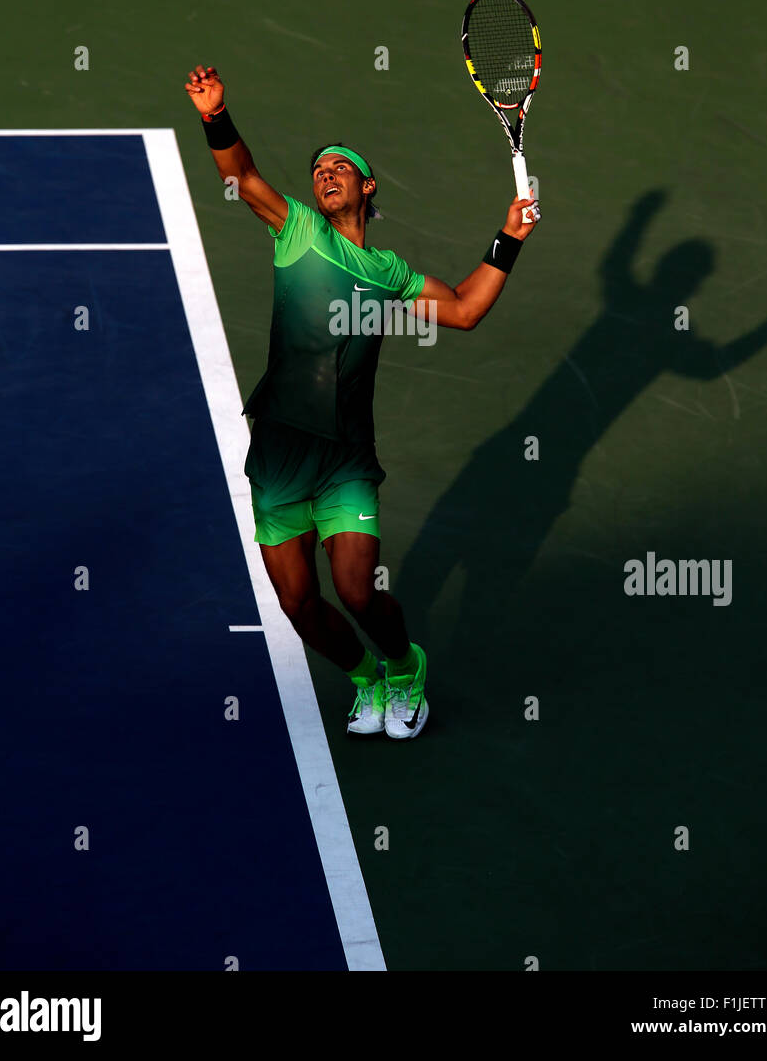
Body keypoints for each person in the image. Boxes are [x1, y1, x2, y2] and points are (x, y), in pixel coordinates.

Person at [184, 63, 540, 740]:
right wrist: (214, 117)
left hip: (345, 457)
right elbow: (244, 174)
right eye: (317, 169)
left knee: (355, 589)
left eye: (339, 166)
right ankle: (363, 679)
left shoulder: (390, 274)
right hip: (281, 455)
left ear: (367, 186)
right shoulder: (294, 231)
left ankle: (405, 668)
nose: (324, 172)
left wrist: (509, 241)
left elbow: (464, 310)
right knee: (298, 603)